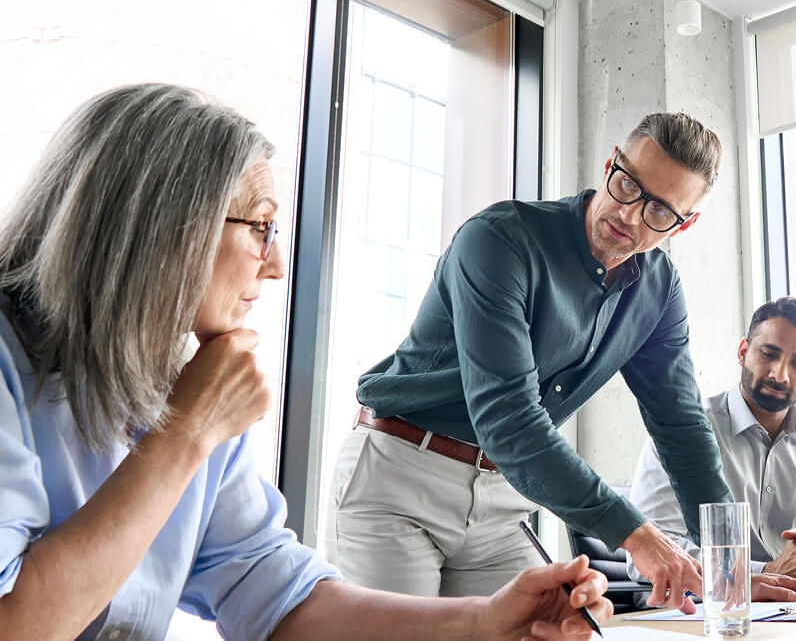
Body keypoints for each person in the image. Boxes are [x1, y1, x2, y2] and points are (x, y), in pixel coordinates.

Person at [0, 83, 612, 641]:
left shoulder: (183, 387)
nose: (276, 265)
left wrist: (483, 619)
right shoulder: (31, 368)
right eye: (262, 228)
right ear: (164, 227)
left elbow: (277, 597)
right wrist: (187, 433)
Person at [334, 112, 796, 609]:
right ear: (610, 165)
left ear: (685, 224)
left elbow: (681, 428)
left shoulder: (658, 290)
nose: (630, 216)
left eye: (661, 212)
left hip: (500, 504)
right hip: (401, 479)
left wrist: (731, 569)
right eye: (628, 186)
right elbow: (509, 420)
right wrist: (637, 535)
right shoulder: (499, 241)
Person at [628, 297, 796, 584]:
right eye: (768, 354)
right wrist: (763, 574)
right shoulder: (680, 431)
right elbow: (649, 555)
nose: (780, 375)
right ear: (743, 351)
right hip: (704, 613)